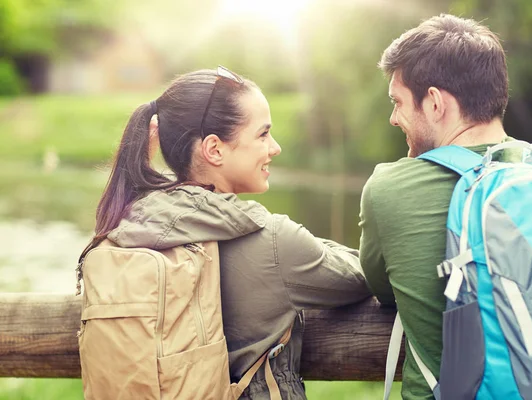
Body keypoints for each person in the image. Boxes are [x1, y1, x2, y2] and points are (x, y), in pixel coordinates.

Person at [84, 66, 371, 399]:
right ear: (214, 149)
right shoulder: (273, 241)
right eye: (263, 134)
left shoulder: (130, 226)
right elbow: (368, 274)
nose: (275, 147)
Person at [359, 14, 532, 400]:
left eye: (398, 102)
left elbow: (382, 290)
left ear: (435, 102)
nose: (393, 118)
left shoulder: (388, 189)